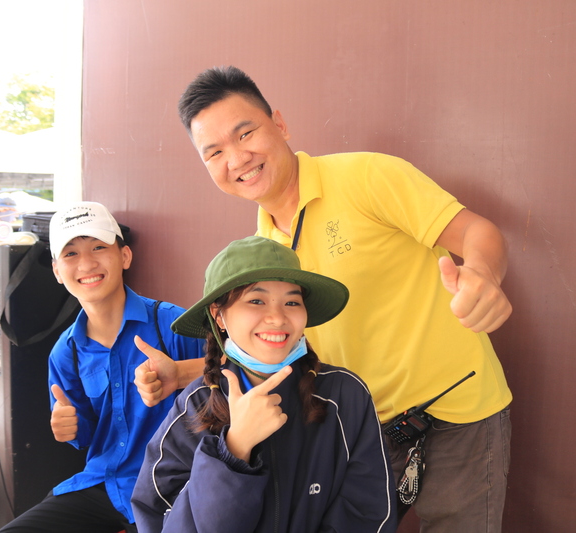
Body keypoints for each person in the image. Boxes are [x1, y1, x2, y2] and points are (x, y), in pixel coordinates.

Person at [149, 65, 513, 532]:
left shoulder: (366, 175)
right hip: (360, 428)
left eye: (245, 134)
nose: (236, 158)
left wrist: (483, 275)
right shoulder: (262, 249)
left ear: (279, 124)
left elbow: (478, 232)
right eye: (215, 152)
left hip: (458, 413)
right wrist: (181, 374)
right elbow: (282, 344)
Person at [131, 236, 396, 532]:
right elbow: (161, 518)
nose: (277, 318)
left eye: (292, 302)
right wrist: (234, 449)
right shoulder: (195, 407)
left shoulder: (345, 396)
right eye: (256, 301)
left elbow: (368, 513)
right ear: (219, 316)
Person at [0, 201, 203, 533]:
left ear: (125, 256)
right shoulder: (65, 352)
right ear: (57, 271)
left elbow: (235, 370)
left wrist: (181, 374)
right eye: (71, 254)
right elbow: (87, 434)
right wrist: (70, 428)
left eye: (98, 247)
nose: (87, 263)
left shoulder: (173, 324)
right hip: (105, 484)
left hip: (176, 484)